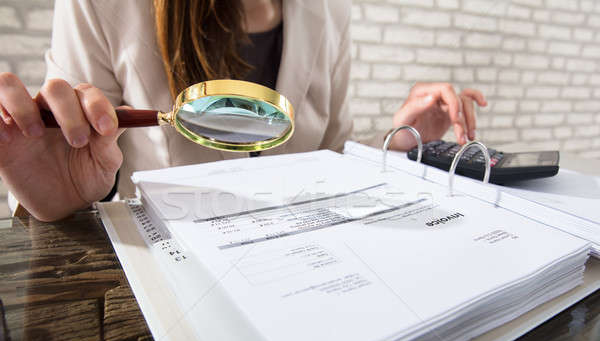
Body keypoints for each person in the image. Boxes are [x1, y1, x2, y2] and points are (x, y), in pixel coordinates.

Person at [0, 0, 486, 222]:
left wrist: (399, 143)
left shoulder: (331, 11)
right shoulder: (99, 5)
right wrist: (66, 201)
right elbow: (78, 159)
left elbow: (328, 159)